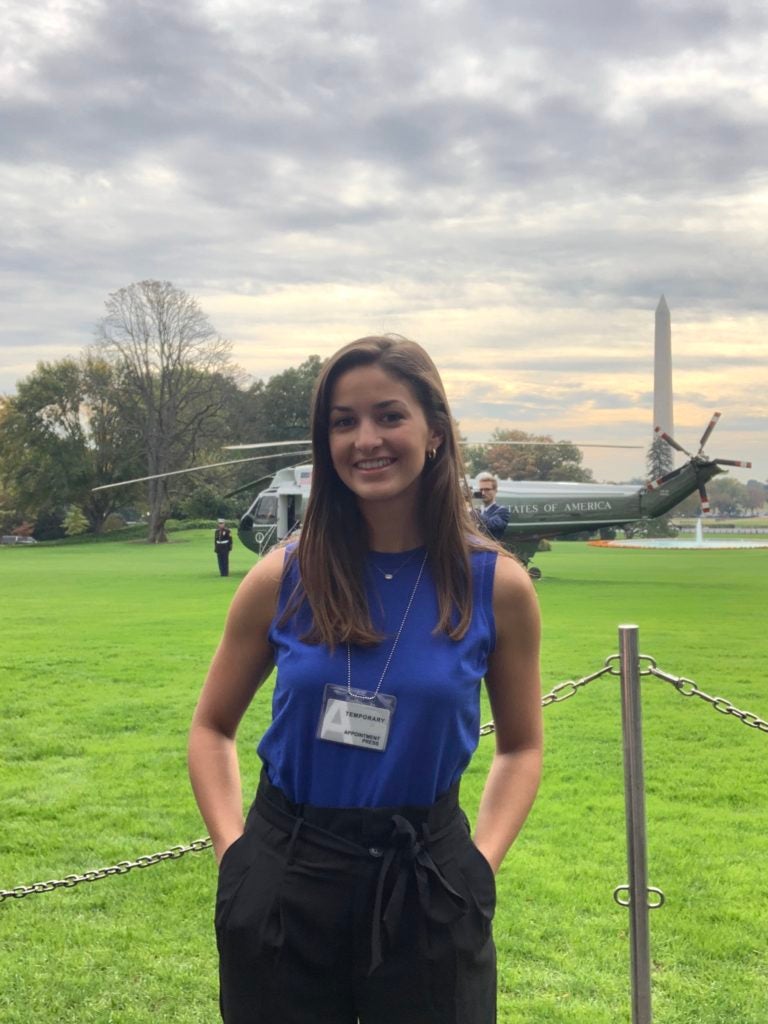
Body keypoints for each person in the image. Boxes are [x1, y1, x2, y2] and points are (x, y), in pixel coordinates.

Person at [188, 336, 542, 1024]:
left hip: (426, 880)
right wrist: (237, 858)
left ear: (435, 432)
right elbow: (211, 728)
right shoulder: (282, 575)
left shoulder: (495, 586)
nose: (366, 439)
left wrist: (478, 866)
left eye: (389, 415)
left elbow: (521, 747)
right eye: (343, 422)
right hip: (286, 872)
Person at [476, 473, 510, 541]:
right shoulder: (477, 510)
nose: (483, 493)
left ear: (495, 491)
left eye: (487, 489)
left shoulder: (502, 511)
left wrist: (472, 512)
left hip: (491, 550)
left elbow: (491, 524)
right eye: (481, 490)